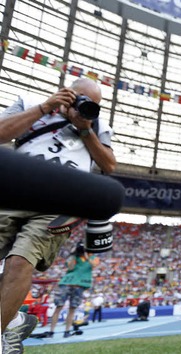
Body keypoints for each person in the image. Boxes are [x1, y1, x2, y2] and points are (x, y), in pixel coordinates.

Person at [0, 78, 115, 351]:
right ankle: (12, 320)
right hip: (16, 191)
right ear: (68, 93)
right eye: (82, 100)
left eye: (93, 105)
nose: (85, 107)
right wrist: (44, 108)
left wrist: (86, 130)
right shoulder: (28, 103)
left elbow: (109, 164)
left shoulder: (98, 125)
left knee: (20, 261)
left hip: (62, 200)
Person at [35, 242, 99, 338]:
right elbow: (70, 267)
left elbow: (93, 264)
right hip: (66, 283)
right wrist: (74, 254)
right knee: (58, 307)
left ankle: (67, 331)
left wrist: (85, 254)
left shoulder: (93, 258)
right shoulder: (73, 257)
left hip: (79, 285)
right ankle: (51, 331)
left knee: (72, 309)